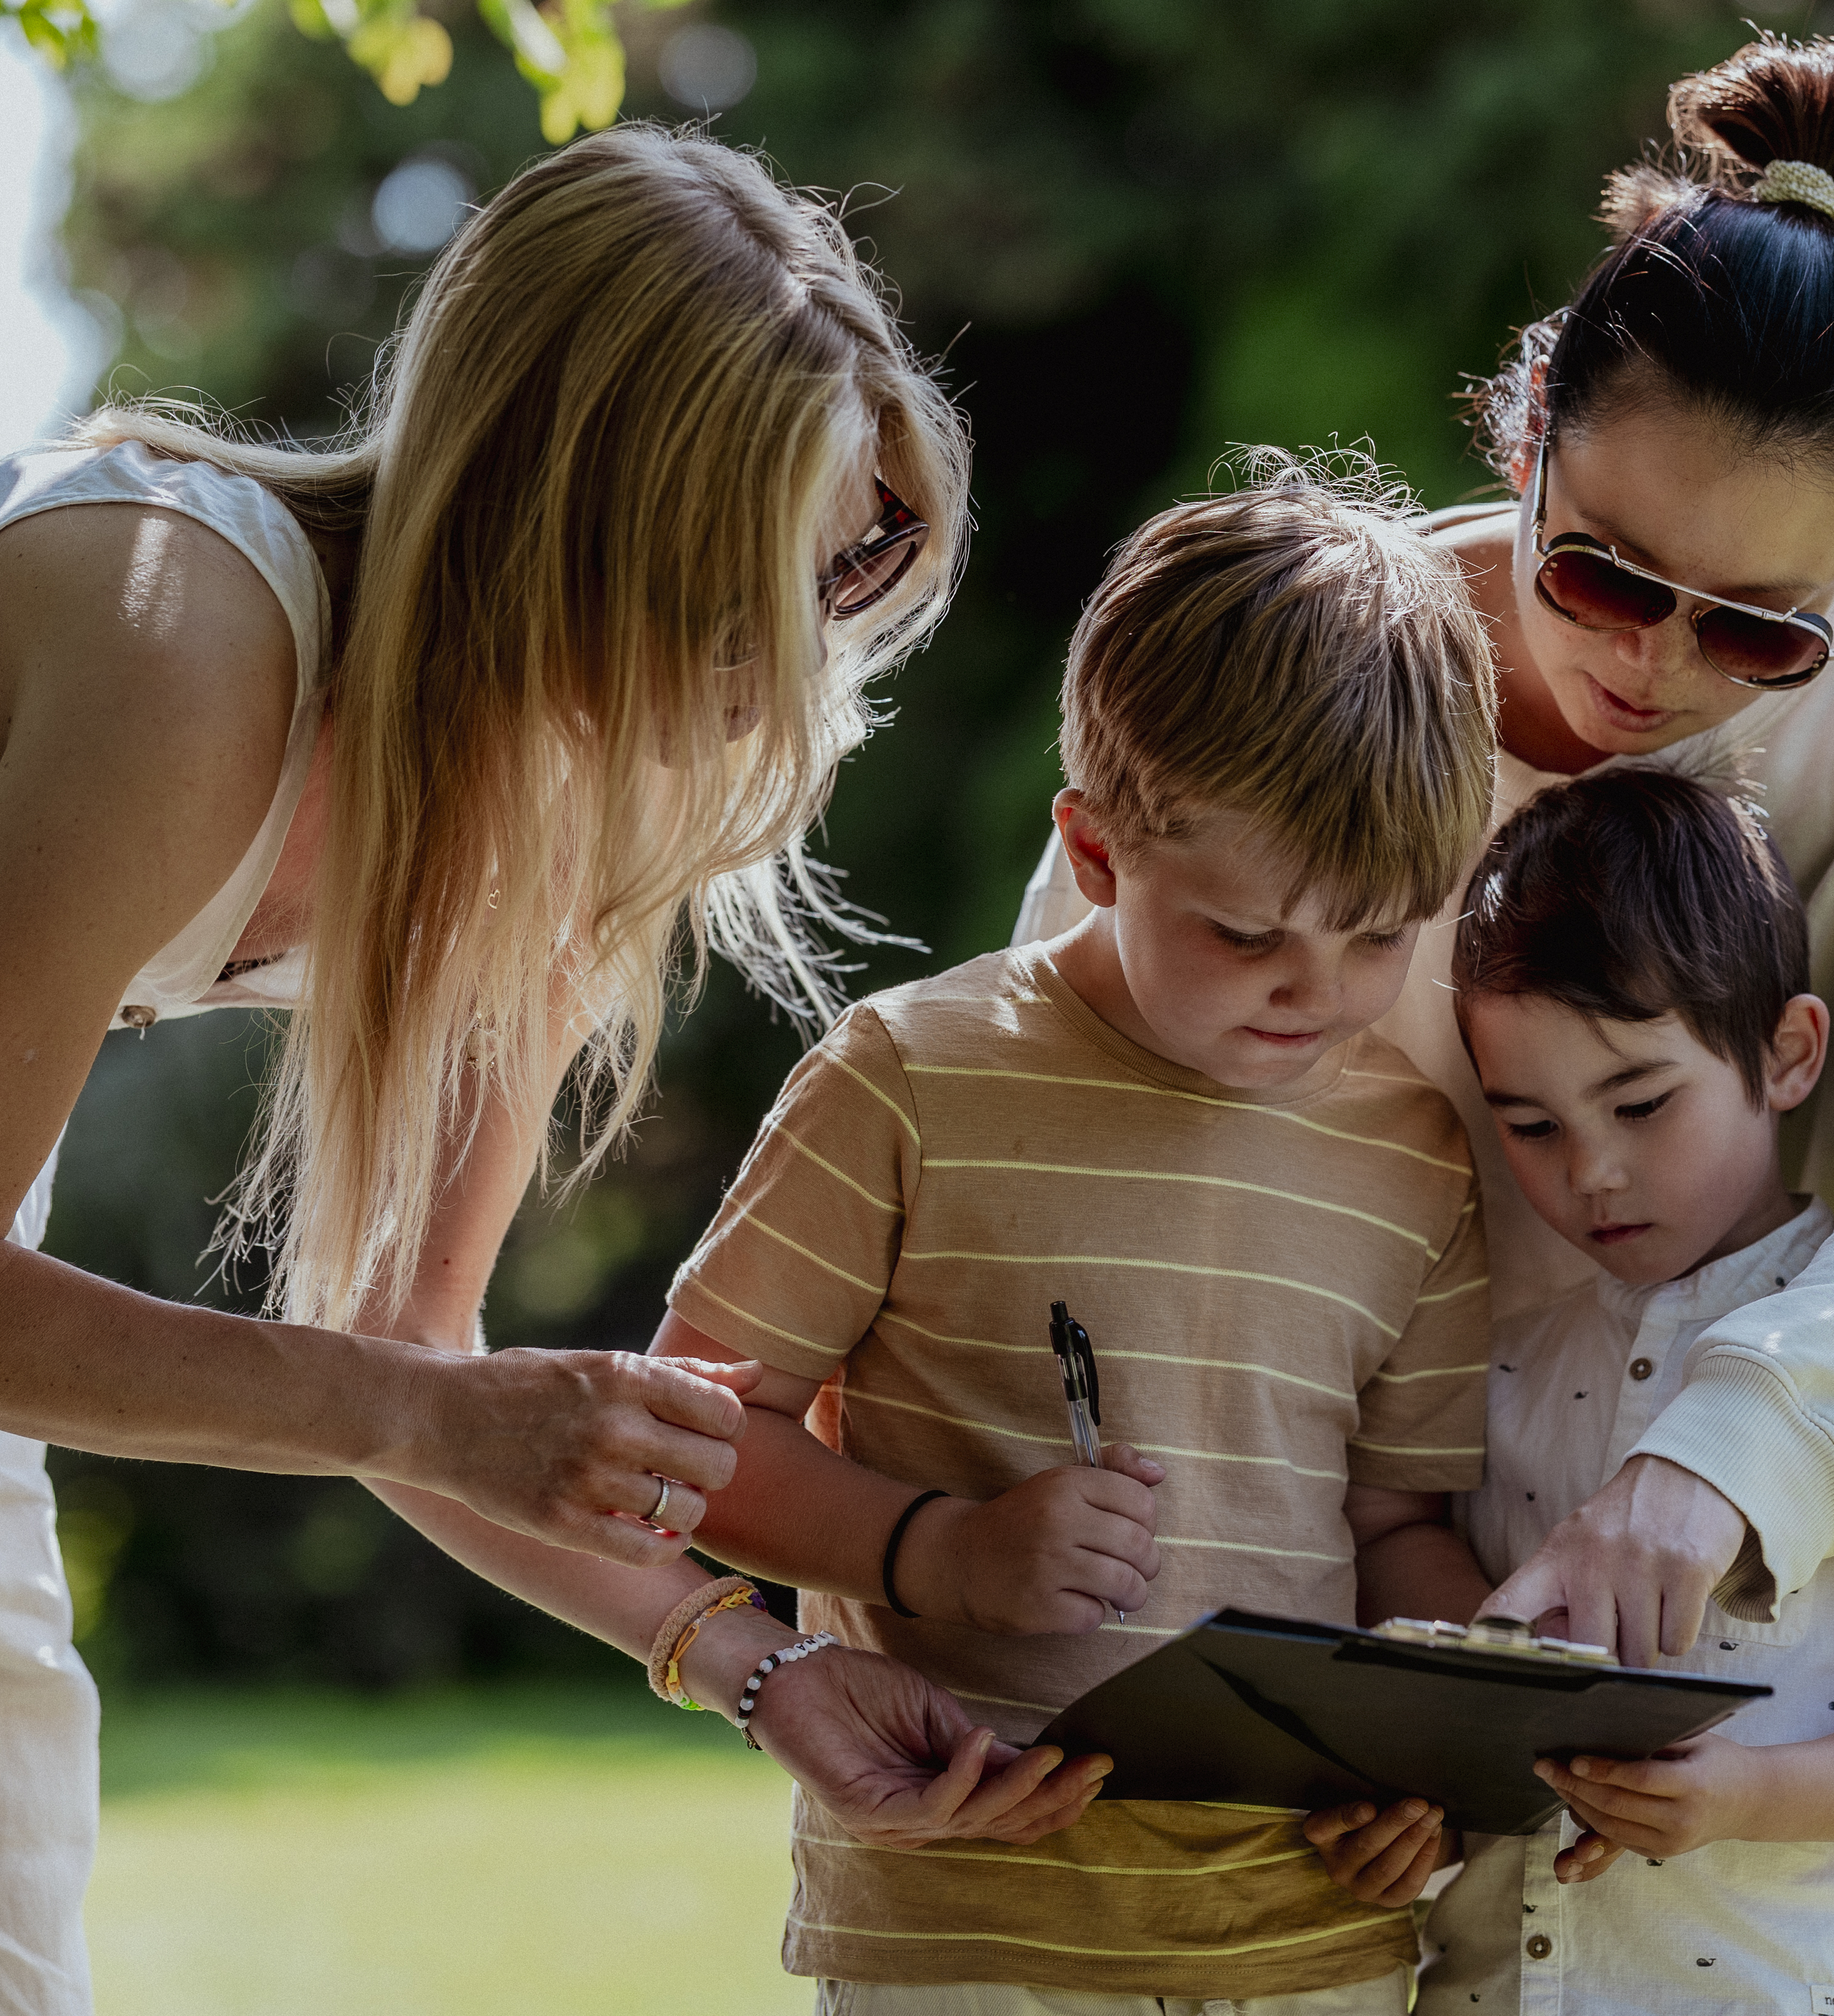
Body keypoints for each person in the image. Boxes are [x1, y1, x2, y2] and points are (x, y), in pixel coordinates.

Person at [0, 127, 1093, 2016]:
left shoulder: (554, 822)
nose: (802, 653)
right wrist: (418, 1415)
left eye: (864, 564)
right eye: (759, 582)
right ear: (566, 517)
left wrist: (760, 1665)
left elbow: (408, 1354)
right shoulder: (177, 629)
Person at [1012, 33, 1834, 1664]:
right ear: (1522, 452)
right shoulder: (1302, 672)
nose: (1653, 662)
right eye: (1600, 574)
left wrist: (1726, 1453)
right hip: (1239, 1531)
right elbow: (1045, 1079)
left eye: (1760, 631)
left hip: (1716, 1588)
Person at [648, 462, 1500, 2014]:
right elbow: (693, 1438)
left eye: (1380, 935)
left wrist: (1419, 1743)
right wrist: (941, 1550)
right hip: (966, 1926)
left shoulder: (1416, 1149)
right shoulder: (906, 1077)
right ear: (1096, 853)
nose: (1310, 990)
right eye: (1245, 934)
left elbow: (1397, 1523)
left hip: (1307, 1936)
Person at [1407, 767, 1834, 2014]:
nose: (1590, 1171)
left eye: (1639, 1102)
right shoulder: (1498, 1359)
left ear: (1786, 1053)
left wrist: (1740, 1797)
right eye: (1527, 1124)